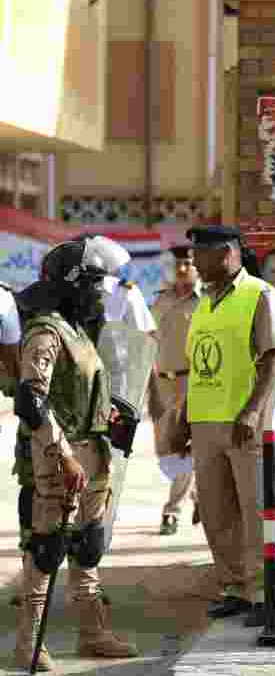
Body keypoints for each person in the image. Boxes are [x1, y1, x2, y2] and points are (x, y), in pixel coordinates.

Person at [11, 236, 139, 670]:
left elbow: (83, 390)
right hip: (55, 458)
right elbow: (31, 401)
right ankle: (29, 644)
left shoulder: (80, 331)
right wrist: (63, 455)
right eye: (92, 287)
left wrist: (112, 416)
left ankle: (93, 633)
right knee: (46, 549)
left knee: (88, 548)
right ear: (71, 285)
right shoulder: (46, 331)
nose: (98, 297)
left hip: (93, 454)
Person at [182, 225, 275, 629]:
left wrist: (251, 411)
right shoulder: (204, 302)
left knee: (255, 513)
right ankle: (234, 589)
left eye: (201, 252)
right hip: (207, 421)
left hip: (246, 422)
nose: (194, 260)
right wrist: (182, 418)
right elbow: (198, 365)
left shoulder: (261, 295)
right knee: (216, 512)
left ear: (228, 253)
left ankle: (264, 593)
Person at [150, 245, 203, 535]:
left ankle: (171, 511)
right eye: (178, 264)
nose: (182, 269)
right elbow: (147, 343)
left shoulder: (205, 301)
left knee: (185, 451)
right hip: (162, 382)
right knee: (165, 451)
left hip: (193, 383)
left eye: (188, 263)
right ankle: (196, 495)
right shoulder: (161, 301)